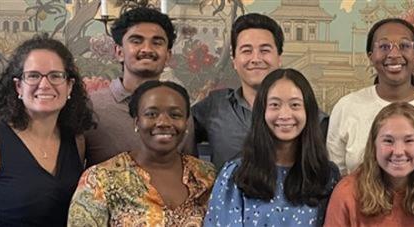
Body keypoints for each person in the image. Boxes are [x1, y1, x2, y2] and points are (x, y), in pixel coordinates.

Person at [326, 18, 414, 195]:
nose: (394, 54)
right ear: (371, 56)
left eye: (404, 46)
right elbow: (336, 182)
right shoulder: (346, 108)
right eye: (384, 47)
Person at [192, 13, 332, 169]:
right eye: (246, 51)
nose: (256, 59)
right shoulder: (215, 106)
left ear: (279, 58)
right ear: (234, 61)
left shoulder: (311, 118)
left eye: (265, 50)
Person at [68, 81, 216, 226]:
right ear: (136, 123)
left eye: (175, 115)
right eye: (151, 114)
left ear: (186, 124)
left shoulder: (207, 176)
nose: (163, 122)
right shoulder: (99, 180)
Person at [204, 69, 339, 226]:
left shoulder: (327, 176)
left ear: (309, 112)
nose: (285, 114)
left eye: (295, 105)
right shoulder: (235, 175)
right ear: (262, 112)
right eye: (275, 105)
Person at [0, 34, 96, 226]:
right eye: (33, 76)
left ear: (69, 86)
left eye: (55, 76)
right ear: (18, 86)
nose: (44, 85)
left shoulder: (77, 140)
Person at [324, 102, 414, 226]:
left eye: (409, 140)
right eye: (388, 140)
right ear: (373, 146)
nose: (398, 151)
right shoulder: (347, 193)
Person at [84, 7, 180, 166]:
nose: (147, 49)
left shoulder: (180, 111)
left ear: (168, 55)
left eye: (157, 42)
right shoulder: (91, 107)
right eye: (136, 41)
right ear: (119, 52)